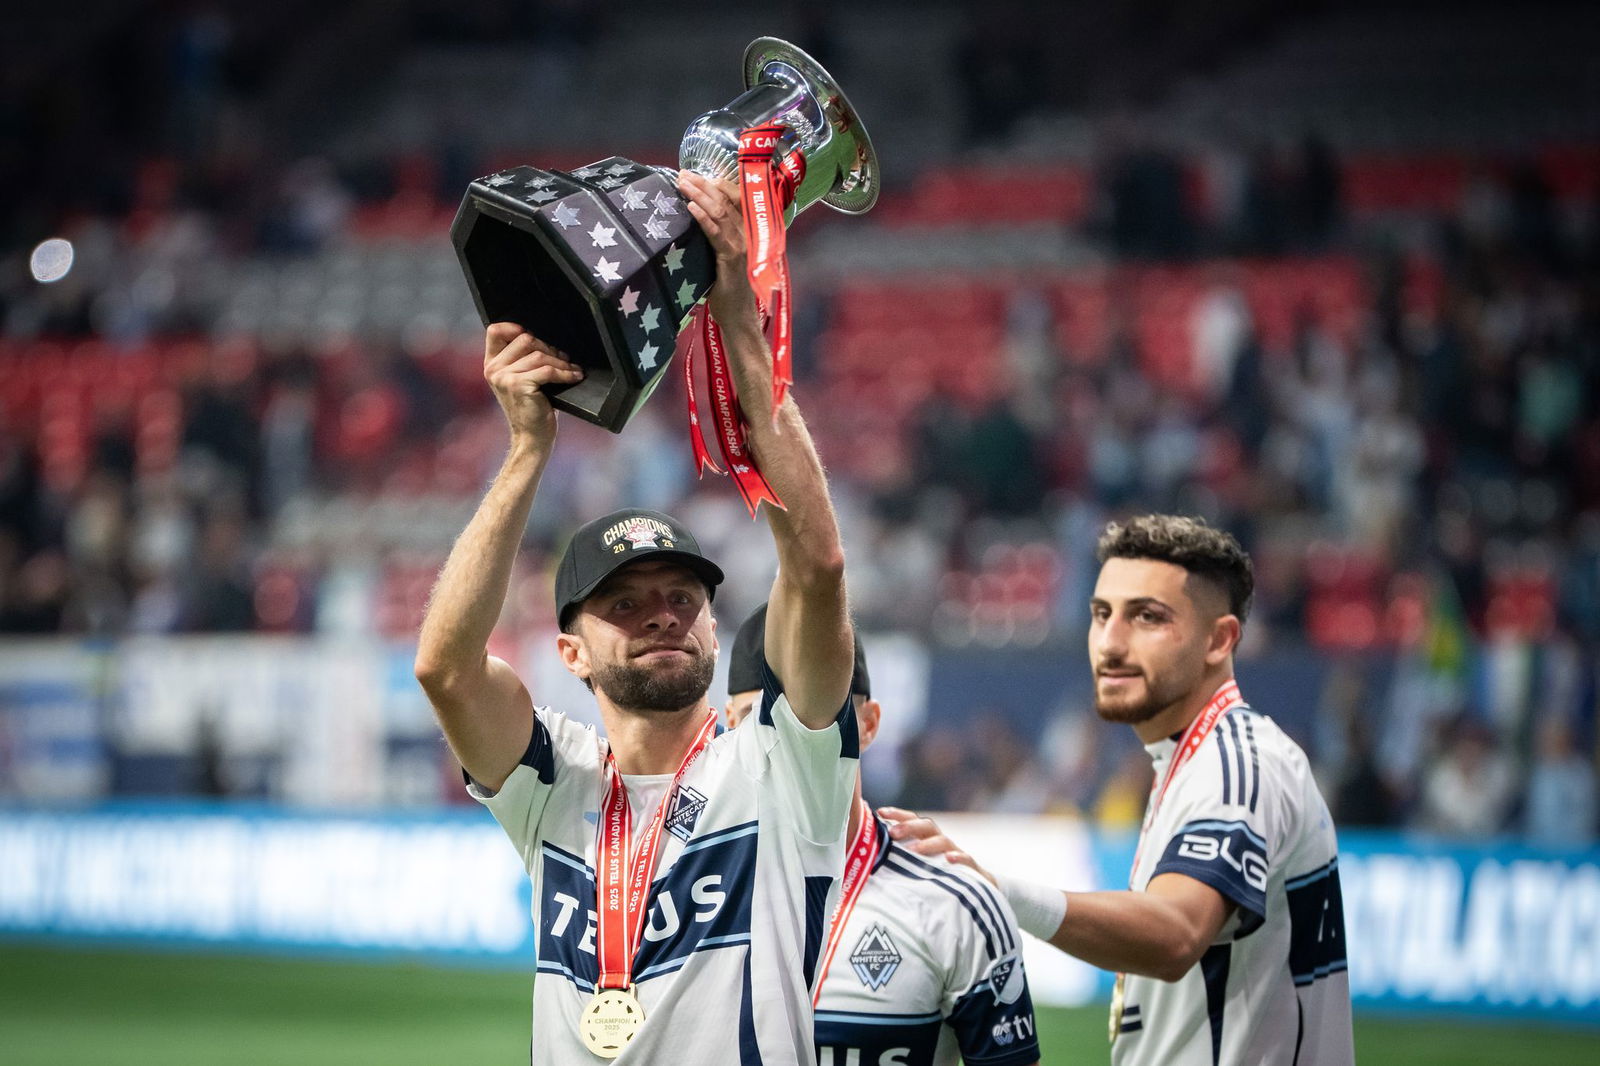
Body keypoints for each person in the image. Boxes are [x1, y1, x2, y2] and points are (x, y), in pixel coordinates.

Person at [414, 170, 858, 1064]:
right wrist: (525, 452)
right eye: (626, 605)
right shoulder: (556, 784)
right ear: (572, 652)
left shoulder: (781, 761)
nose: (663, 617)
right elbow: (446, 670)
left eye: (683, 600)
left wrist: (740, 323)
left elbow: (815, 565)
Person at [884, 515, 1353, 1065]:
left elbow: (1176, 933)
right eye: (1101, 614)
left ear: (1219, 639)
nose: (1110, 642)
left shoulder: (1235, 762)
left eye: (1147, 617)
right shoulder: (1193, 758)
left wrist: (999, 891)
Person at [726, 604, 1042, 1066]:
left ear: (869, 724)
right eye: (762, 718)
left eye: (818, 716)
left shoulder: (953, 904)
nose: (791, 741)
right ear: (729, 726)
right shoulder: (680, 894)